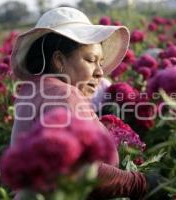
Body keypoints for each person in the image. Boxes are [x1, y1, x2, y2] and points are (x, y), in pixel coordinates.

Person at [10, 7, 159, 200]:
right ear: (59, 60)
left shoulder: (34, 90)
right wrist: (140, 183)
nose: (100, 72)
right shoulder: (62, 93)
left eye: (101, 63)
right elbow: (79, 169)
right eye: (90, 60)